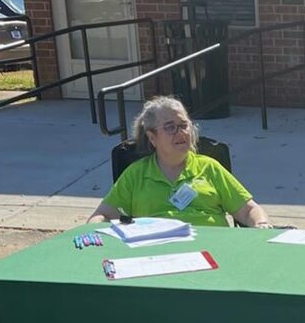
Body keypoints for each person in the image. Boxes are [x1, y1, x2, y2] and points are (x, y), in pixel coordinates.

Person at [88, 96, 272, 228]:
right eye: (170, 127)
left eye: (184, 125)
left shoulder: (209, 168)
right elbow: (102, 215)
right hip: (155, 254)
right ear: (152, 138)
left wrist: (261, 224)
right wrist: (93, 233)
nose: (181, 133)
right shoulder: (136, 174)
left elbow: (249, 210)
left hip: (213, 253)